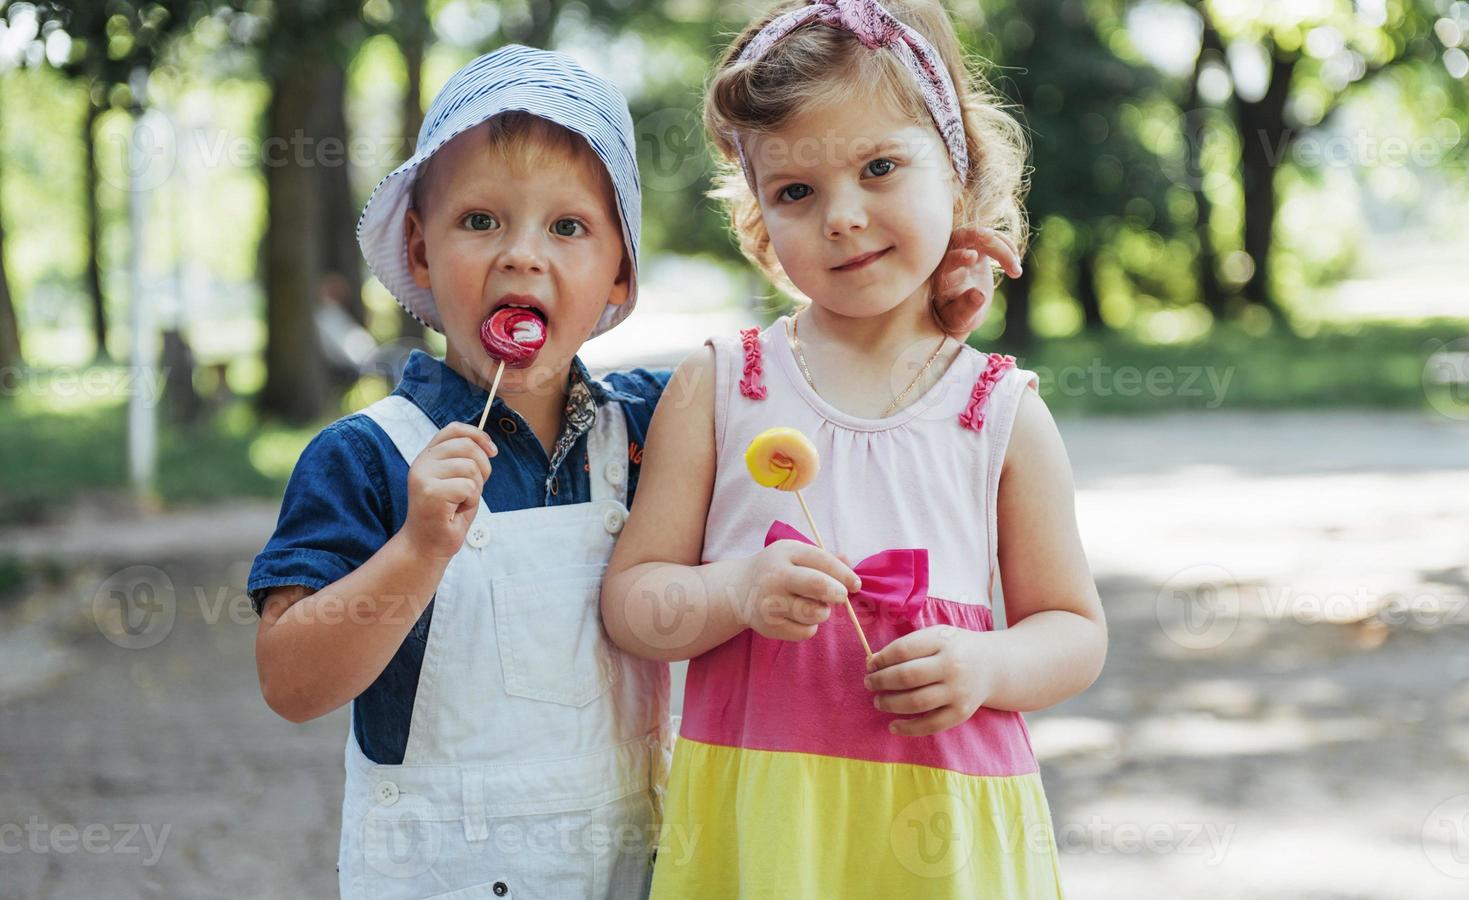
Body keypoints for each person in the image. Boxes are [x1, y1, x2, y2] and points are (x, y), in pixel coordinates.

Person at [247, 43, 1011, 899]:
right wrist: (418, 551)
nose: (521, 257)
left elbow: (807, 370)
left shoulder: (656, 421)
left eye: (567, 227)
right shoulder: (366, 457)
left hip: (632, 872)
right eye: (479, 221)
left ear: (618, 270)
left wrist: (922, 283)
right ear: (420, 254)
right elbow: (291, 683)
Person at [603, 0, 1107, 898]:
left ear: (955, 171)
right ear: (759, 220)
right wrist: (735, 590)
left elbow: (1073, 630)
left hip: (942, 832)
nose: (841, 215)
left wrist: (989, 663)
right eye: (796, 189)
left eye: (879, 169)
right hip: (762, 823)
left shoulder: (996, 409)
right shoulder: (721, 384)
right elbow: (633, 604)